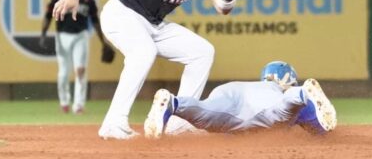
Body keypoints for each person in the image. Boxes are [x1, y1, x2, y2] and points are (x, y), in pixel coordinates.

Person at [51, 0, 241, 139]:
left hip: (154, 24)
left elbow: (223, 6)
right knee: (143, 52)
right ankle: (113, 124)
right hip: (121, 13)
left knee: (202, 52)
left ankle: (178, 123)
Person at [144, 61, 337, 138]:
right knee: (280, 112)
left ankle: (173, 103)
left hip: (230, 90)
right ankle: (303, 94)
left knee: (206, 112)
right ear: (289, 80)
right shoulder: (280, 91)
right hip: (261, 106)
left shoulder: (256, 85)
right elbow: (321, 130)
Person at [40, 0, 109, 114]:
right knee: (64, 72)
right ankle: (64, 102)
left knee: (80, 70)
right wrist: (43, 34)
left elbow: (95, 21)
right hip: (62, 36)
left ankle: (78, 105)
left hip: (81, 36)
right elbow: (48, 16)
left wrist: (103, 41)